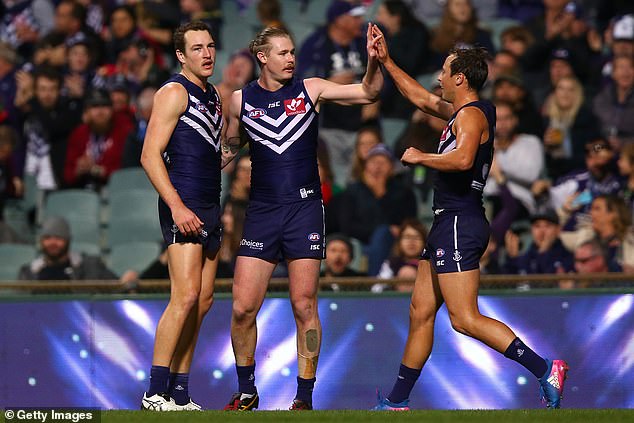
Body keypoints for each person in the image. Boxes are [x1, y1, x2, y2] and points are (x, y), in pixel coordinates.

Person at [368, 24, 568, 411]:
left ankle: (546, 368)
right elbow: (422, 99)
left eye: (444, 71)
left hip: (460, 220)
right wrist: (386, 61)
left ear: (459, 77)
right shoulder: (462, 112)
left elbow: (462, 159)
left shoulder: (472, 117)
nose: (439, 78)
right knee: (420, 312)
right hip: (448, 221)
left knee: (464, 318)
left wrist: (420, 157)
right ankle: (397, 402)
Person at [221, 25, 383, 411]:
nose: (291, 58)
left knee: (304, 305)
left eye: (293, 52)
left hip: (304, 210)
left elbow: (368, 92)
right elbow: (229, 147)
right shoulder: (239, 100)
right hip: (261, 211)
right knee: (243, 307)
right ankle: (247, 392)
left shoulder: (310, 88)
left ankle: (304, 398)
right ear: (262, 57)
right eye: (283, 53)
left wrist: (375, 61)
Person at [139, 21, 224, 412]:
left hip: (210, 203)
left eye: (209, 46)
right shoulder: (174, 92)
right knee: (185, 295)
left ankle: (179, 391)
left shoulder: (214, 96)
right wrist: (176, 205)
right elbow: (149, 155)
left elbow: (207, 154)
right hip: (184, 204)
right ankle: (154, 391)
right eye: (197, 49)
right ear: (180, 55)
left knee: (203, 301)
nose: (206, 54)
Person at [17, 216, 120, 284]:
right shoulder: (28, 273)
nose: (53, 243)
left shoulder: (90, 267)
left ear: (68, 240)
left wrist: (131, 278)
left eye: (58, 238)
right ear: (41, 241)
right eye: (47, 238)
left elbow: (119, 287)